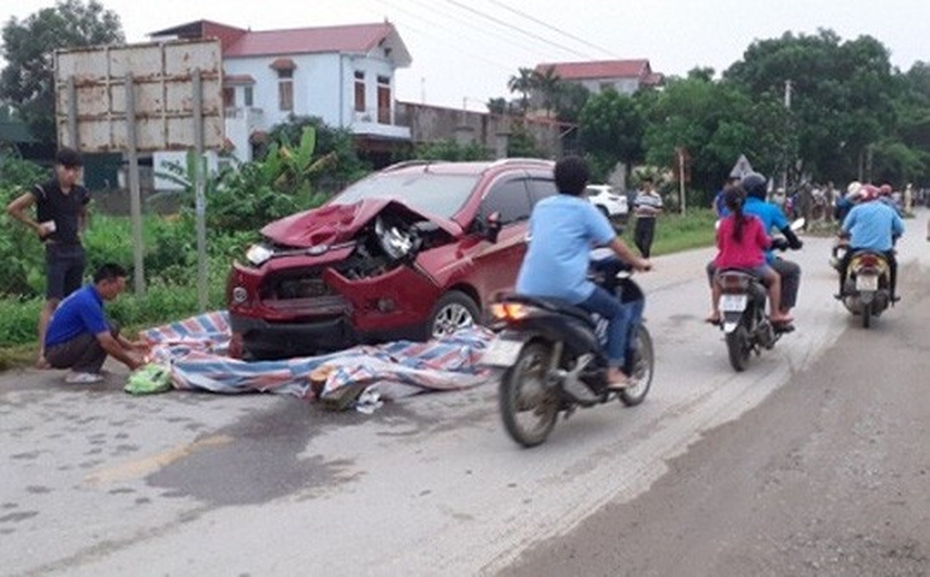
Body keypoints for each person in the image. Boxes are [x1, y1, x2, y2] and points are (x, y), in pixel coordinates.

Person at [516, 156, 651, 389]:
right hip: (567, 289)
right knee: (618, 313)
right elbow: (614, 244)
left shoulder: (541, 207)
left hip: (527, 288)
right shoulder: (586, 210)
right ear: (584, 184)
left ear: (556, 181)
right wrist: (637, 262)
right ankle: (613, 370)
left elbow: (540, 241)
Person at [6, 147, 91, 367]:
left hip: (75, 250)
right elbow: (14, 208)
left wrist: (82, 231)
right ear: (57, 168)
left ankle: (71, 351)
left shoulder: (80, 192)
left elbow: (84, 212)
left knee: (74, 301)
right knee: (53, 300)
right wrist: (36, 227)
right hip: (56, 250)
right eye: (67, 169)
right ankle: (43, 352)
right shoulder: (44, 190)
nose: (71, 174)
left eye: (75, 170)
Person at [44, 263, 148, 383]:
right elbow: (106, 342)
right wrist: (131, 363)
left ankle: (88, 368)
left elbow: (105, 328)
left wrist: (132, 347)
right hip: (57, 352)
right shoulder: (87, 302)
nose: (119, 294)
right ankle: (81, 371)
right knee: (104, 335)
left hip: (61, 348)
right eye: (117, 289)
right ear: (104, 283)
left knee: (111, 326)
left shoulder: (90, 295)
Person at [705, 187, 792, 325]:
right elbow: (765, 243)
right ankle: (775, 313)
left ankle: (715, 312)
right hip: (752, 266)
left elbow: (720, 245)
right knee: (775, 278)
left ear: (726, 205)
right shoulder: (754, 221)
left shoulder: (724, 223)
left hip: (726, 265)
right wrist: (774, 242)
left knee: (716, 280)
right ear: (744, 202)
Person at [740, 172, 804, 317]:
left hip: (731, 263)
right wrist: (794, 243)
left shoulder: (731, 211)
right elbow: (786, 234)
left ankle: (716, 311)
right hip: (759, 261)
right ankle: (780, 313)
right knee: (793, 270)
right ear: (763, 191)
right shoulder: (770, 209)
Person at [836, 184, 905, 302]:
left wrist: (842, 234)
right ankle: (892, 294)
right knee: (893, 266)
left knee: (844, 264)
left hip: (857, 248)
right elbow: (900, 228)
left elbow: (844, 228)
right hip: (883, 249)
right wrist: (893, 233)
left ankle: (842, 291)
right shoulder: (889, 210)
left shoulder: (856, 210)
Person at [632, 176, 663, 258]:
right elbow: (635, 207)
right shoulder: (640, 195)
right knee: (637, 239)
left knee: (647, 241)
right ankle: (644, 253)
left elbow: (660, 210)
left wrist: (651, 211)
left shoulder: (656, 196)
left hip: (650, 219)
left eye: (648, 186)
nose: (646, 188)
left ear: (652, 186)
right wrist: (638, 210)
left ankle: (645, 257)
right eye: (645, 186)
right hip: (640, 219)